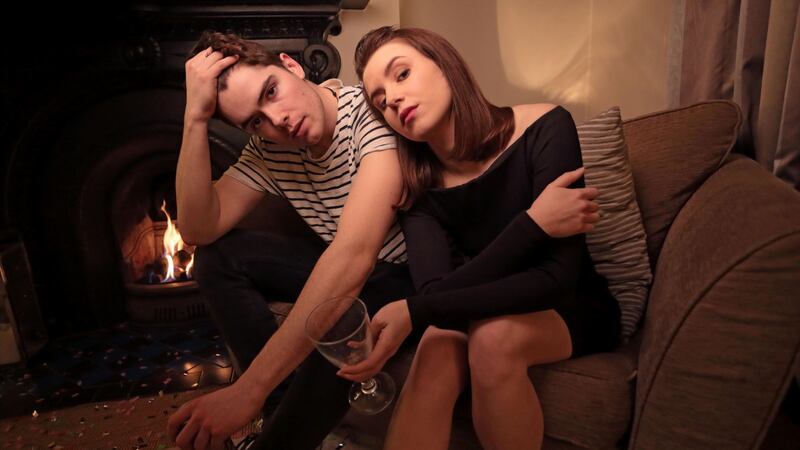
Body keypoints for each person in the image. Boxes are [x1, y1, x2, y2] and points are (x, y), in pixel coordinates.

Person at [337, 26, 621, 450]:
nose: (392, 100)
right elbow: (434, 292)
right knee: (435, 343)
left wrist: (418, 309)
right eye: (380, 101)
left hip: (570, 304)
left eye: (401, 75)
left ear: (444, 64)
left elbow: (558, 278)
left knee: (492, 338)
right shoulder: (419, 189)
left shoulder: (546, 126)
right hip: (475, 303)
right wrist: (534, 224)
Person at [166, 31, 416, 450]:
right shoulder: (270, 150)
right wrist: (194, 118)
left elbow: (354, 257)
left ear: (291, 65)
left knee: (343, 312)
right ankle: (281, 407)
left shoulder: (370, 115)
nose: (276, 119)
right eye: (255, 121)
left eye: (272, 91)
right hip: (346, 264)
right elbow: (196, 229)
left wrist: (248, 391)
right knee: (217, 256)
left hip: (404, 275)